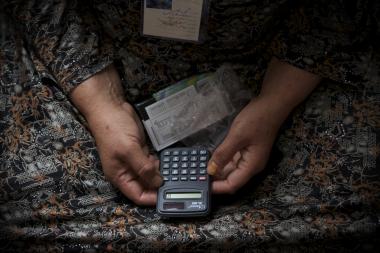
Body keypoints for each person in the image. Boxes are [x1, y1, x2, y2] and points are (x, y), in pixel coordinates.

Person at [0, 0, 379, 251]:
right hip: (92, 62)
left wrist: (273, 104)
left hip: (286, 62)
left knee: (351, 218)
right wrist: (104, 105)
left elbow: (340, 10)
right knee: (27, 218)